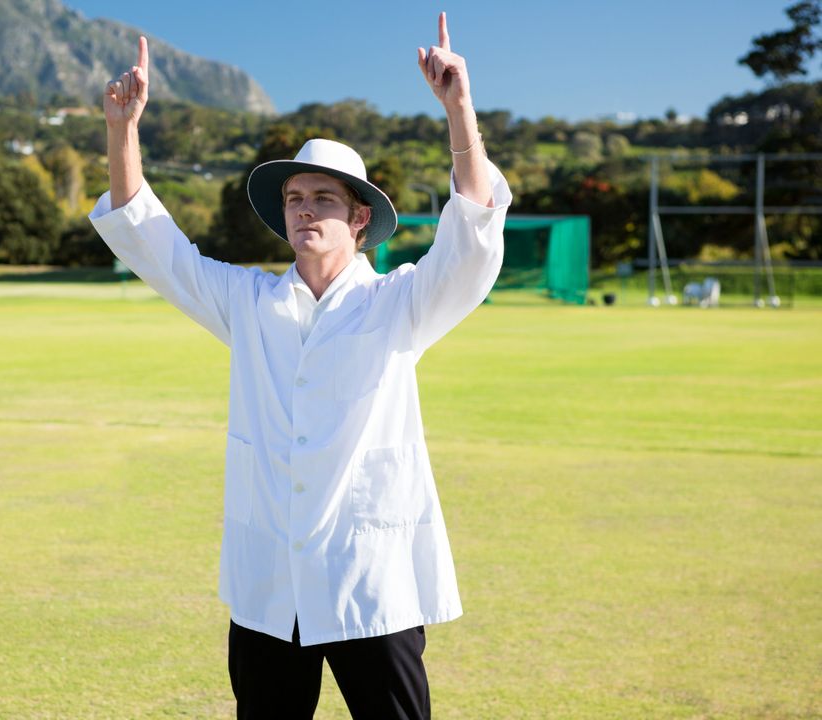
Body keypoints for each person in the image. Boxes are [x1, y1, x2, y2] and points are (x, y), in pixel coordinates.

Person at [90, 12, 511, 719]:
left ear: (359, 220)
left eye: (323, 199)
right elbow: (152, 245)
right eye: (294, 198)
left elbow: (470, 238)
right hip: (270, 586)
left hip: (368, 580)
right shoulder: (249, 302)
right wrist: (123, 130)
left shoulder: (398, 302)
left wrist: (458, 109)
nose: (305, 209)